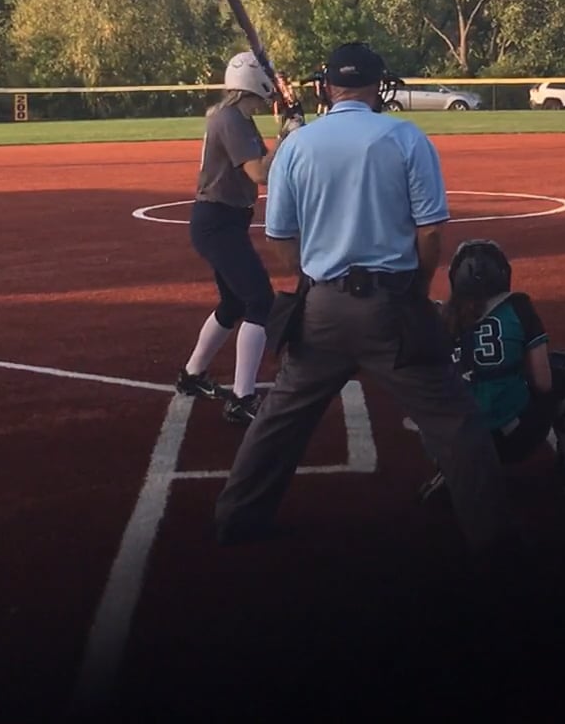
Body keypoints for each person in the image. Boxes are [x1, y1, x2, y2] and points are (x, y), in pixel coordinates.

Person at [212, 42, 515, 560]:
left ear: (326, 86)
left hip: (322, 309)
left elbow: (280, 238)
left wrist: (314, 278)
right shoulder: (406, 137)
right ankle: (493, 539)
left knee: (280, 420)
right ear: (378, 85)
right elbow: (430, 232)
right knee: (455, 421)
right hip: (391, 305)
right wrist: (416, 291)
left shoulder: (298, 146)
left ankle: (235, 520)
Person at [418, 239, 565, 506]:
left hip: (456, 442)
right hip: (514, 439)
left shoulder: (439, 317)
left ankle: (451, 471)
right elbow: (543, 383)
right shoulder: (519, 308)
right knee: (564, 369)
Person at [175, 51, 303, 425]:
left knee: (233, 303)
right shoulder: (231, 119)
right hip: (218, 221)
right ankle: (242, 398)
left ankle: (192, 375)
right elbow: (260, 173)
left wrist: (287, 134)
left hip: (222, 220)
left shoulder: (236, 117)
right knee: (260, 301)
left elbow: (269, 167)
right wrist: (287, 136)